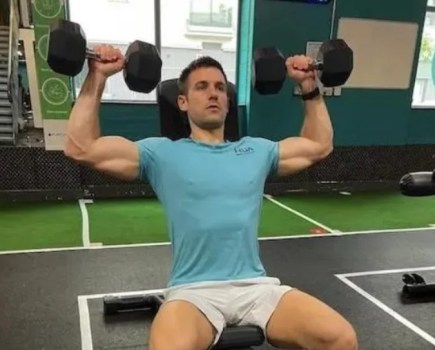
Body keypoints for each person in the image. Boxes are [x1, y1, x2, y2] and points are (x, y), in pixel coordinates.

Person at [64, 44, 358, 350]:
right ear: (182, 102)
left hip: (255, 288)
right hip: (193, 292)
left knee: (340, 338)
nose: (213, 93)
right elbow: (80, 146)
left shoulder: (256, 151)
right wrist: (97, 76)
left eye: (219, 87)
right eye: (201, 87)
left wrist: (309, 85)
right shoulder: (161, 154)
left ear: (229, 103)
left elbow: (319, 144)